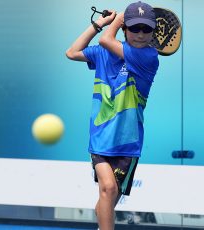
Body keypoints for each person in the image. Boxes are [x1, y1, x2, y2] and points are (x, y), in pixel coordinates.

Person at [66, 1, 159, 229]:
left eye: (146, 29)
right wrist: (101, 22)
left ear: (153, 33)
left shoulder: (148, 57)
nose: (140, 34)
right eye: (134, 27)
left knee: (104, 205)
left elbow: (107, 40)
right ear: (126, 29)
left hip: (128, 145)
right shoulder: (102, 54)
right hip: (100, 138)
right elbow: (72, 52)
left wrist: (116, 22)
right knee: (107, 188)